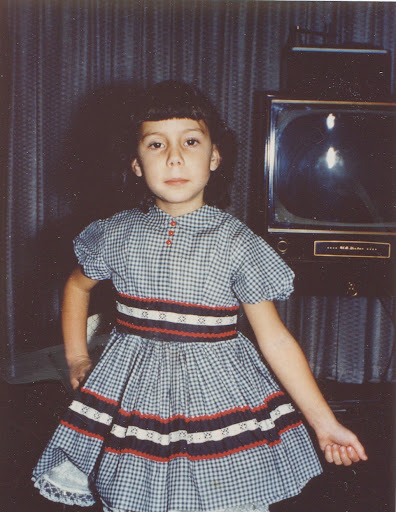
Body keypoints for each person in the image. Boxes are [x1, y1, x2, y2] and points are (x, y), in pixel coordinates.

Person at [33, 81, 367, 512]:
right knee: (136, 492)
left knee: (220, 496)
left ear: (214, 157)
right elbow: (77, 286)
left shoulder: (236, 243)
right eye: (156, 144)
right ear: (136, 164)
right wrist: (77, 357)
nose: (174, 157)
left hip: (218, 398)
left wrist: (325, 425)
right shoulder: (116, 233)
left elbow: (276, 339)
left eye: (190, 141)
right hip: (132, 394)